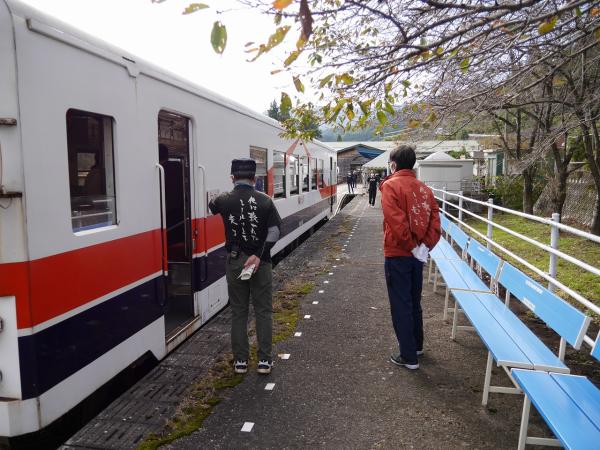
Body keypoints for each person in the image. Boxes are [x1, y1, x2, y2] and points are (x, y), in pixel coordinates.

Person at [209, 158, 282, 375]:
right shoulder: (265, 201)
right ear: (255, 178)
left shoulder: (224, 200)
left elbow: (211, 206)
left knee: (239, 312)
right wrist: (258, 256)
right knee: (263, 311)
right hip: (261, 263)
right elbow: (275, 231)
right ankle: (264, 361)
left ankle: (240, 361)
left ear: (232, 178)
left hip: (235, 261)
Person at [380, 145, 441, 370]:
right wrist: (424, 246)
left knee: (401, 303)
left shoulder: (390, 186)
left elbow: (395, 221)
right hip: (419, 256)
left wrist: (410, 245)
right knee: (415, 301)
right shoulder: (425, 189)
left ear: (393, 164)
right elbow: (436, 221)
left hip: (398, 253)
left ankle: (408, 356)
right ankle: (416, 346)